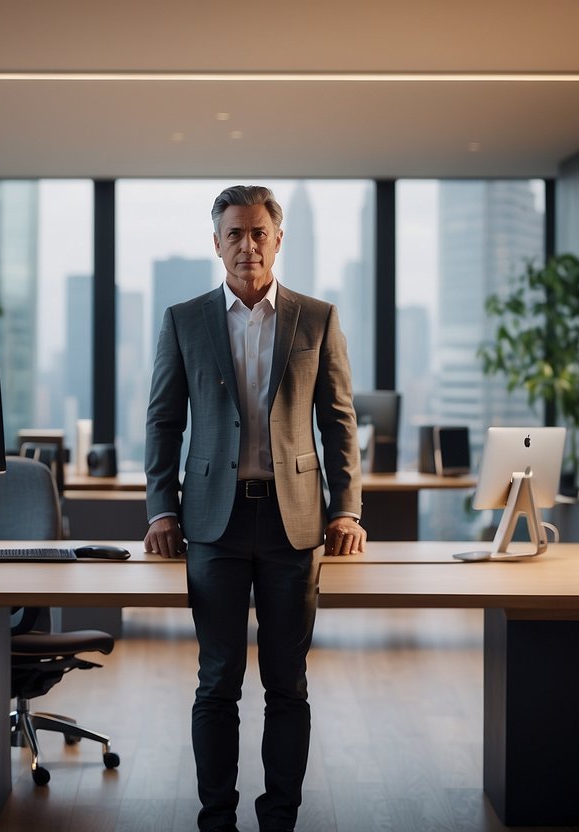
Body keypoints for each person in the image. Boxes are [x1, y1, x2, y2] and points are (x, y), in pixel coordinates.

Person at [144, 185, 366, 832]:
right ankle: (215, 819)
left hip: (292, 523)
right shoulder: (184, 320)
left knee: (287, 684)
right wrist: (161, 509)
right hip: (210, 524)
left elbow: (340, 423)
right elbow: (162, 422)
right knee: (216, 682)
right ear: (216, 243)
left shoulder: (315, 318)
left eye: (258, 232)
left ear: (277, 238)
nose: (247, 245)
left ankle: (279, 820)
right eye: (233, 234)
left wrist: (346, 508)